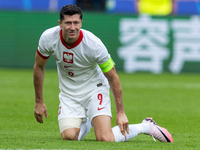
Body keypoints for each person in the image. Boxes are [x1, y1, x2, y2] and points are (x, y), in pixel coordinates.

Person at [33, 4, 173, 142]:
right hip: (69, 94)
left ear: (81, 22)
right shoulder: (48, 38)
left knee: (105, 138)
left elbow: (113, 77)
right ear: (60, 23)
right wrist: (39, 102)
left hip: (95, 89)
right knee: (69, 137)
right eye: (68, 23)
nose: (72, 27)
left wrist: (121, 112)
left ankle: (146, 126)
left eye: (76, 22)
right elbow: (38, 67)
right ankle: (88, 121)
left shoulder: (94, 44)